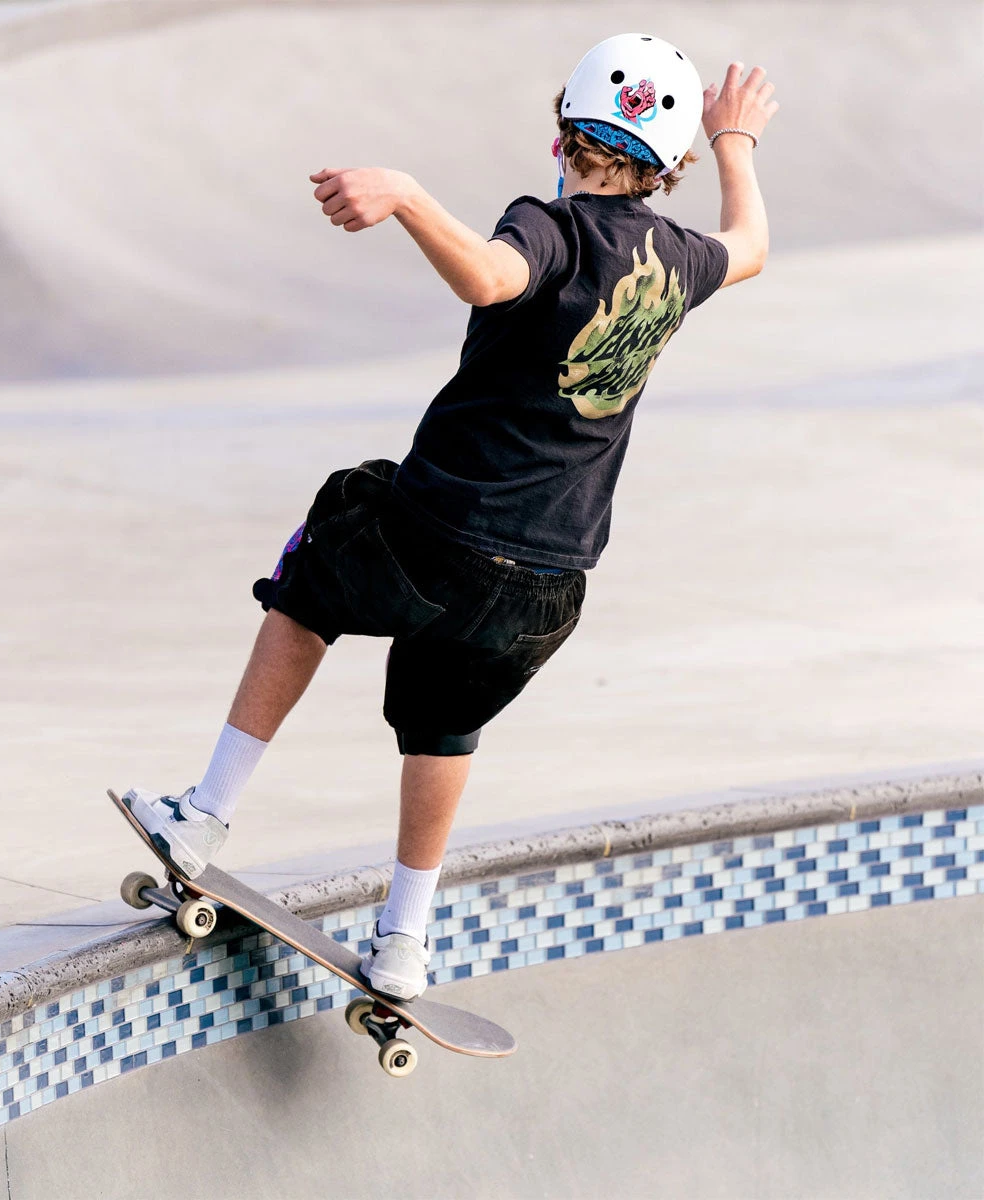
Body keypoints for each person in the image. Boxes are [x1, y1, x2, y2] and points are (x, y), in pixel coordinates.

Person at [121, 34, 778, 1001]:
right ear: (665, 167)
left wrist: (407, 194)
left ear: (563, 131)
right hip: (551, 586)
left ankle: (205, 814)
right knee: (442, 721)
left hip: (439, 532)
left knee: (328, 545)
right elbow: (753, 246)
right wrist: (735, 143)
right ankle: (404, 941)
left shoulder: (547, 227)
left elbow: (487, 275)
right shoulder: (680, 258)